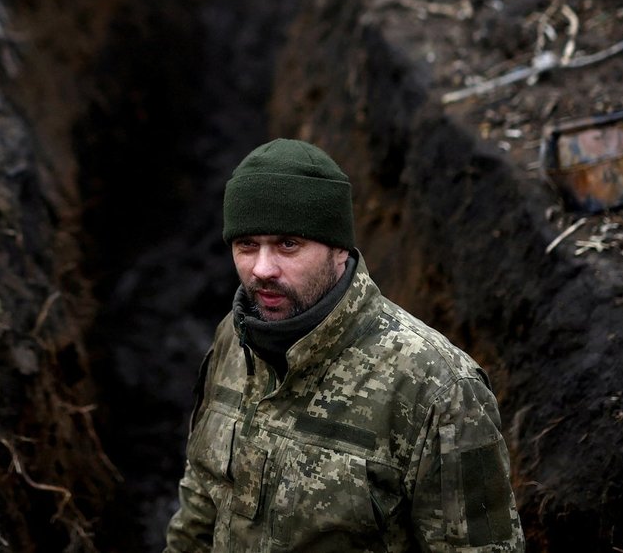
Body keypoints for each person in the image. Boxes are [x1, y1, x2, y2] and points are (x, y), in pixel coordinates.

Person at [163, 138, 525, 552]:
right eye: (247, 245)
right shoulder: (233, 338)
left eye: (288, 244)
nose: (262, 269)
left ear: (337, 247)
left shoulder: (438, 388)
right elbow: (199, 507)